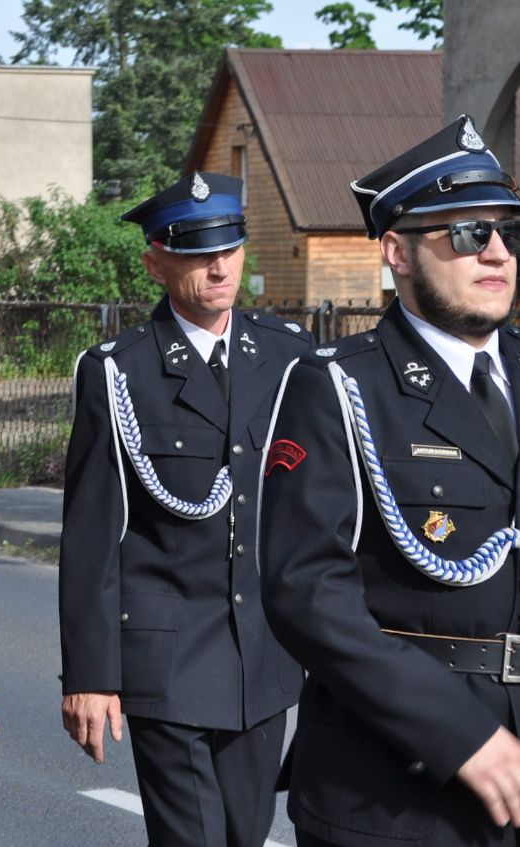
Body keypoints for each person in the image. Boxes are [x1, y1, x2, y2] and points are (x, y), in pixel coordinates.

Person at [260, 115, 520, 846]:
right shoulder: (339, 386)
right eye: (468, 233)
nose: (496, 251)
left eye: (509, 233)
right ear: (396, 251)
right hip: (396, 792)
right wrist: (460, 733)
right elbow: (306, 593)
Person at [59, 172, 312, 846]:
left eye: (229, 246)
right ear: (155, 262)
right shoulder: (119, 371)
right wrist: (90, 675)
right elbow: (92, 534)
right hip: (165, 659)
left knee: (243, 835)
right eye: (199, 250)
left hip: (262, 658)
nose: (220, 264)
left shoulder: (290, 358)